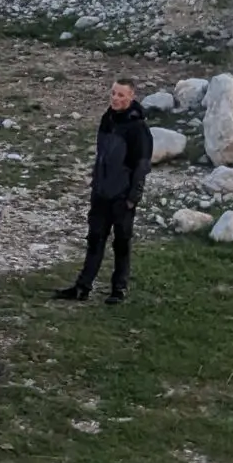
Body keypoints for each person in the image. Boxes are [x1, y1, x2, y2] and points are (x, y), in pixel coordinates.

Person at [57, 79, 151, 304]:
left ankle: (119, 289)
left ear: (131, 97)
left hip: (122, 196)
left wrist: (132, 199)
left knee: (121, 243)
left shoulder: (138, 129)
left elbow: (142, 166)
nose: (116, 99)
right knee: (95, 240)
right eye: (113, 93)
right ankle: (83, 287)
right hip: (101, 193)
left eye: (121, 95)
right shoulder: (107, 118)